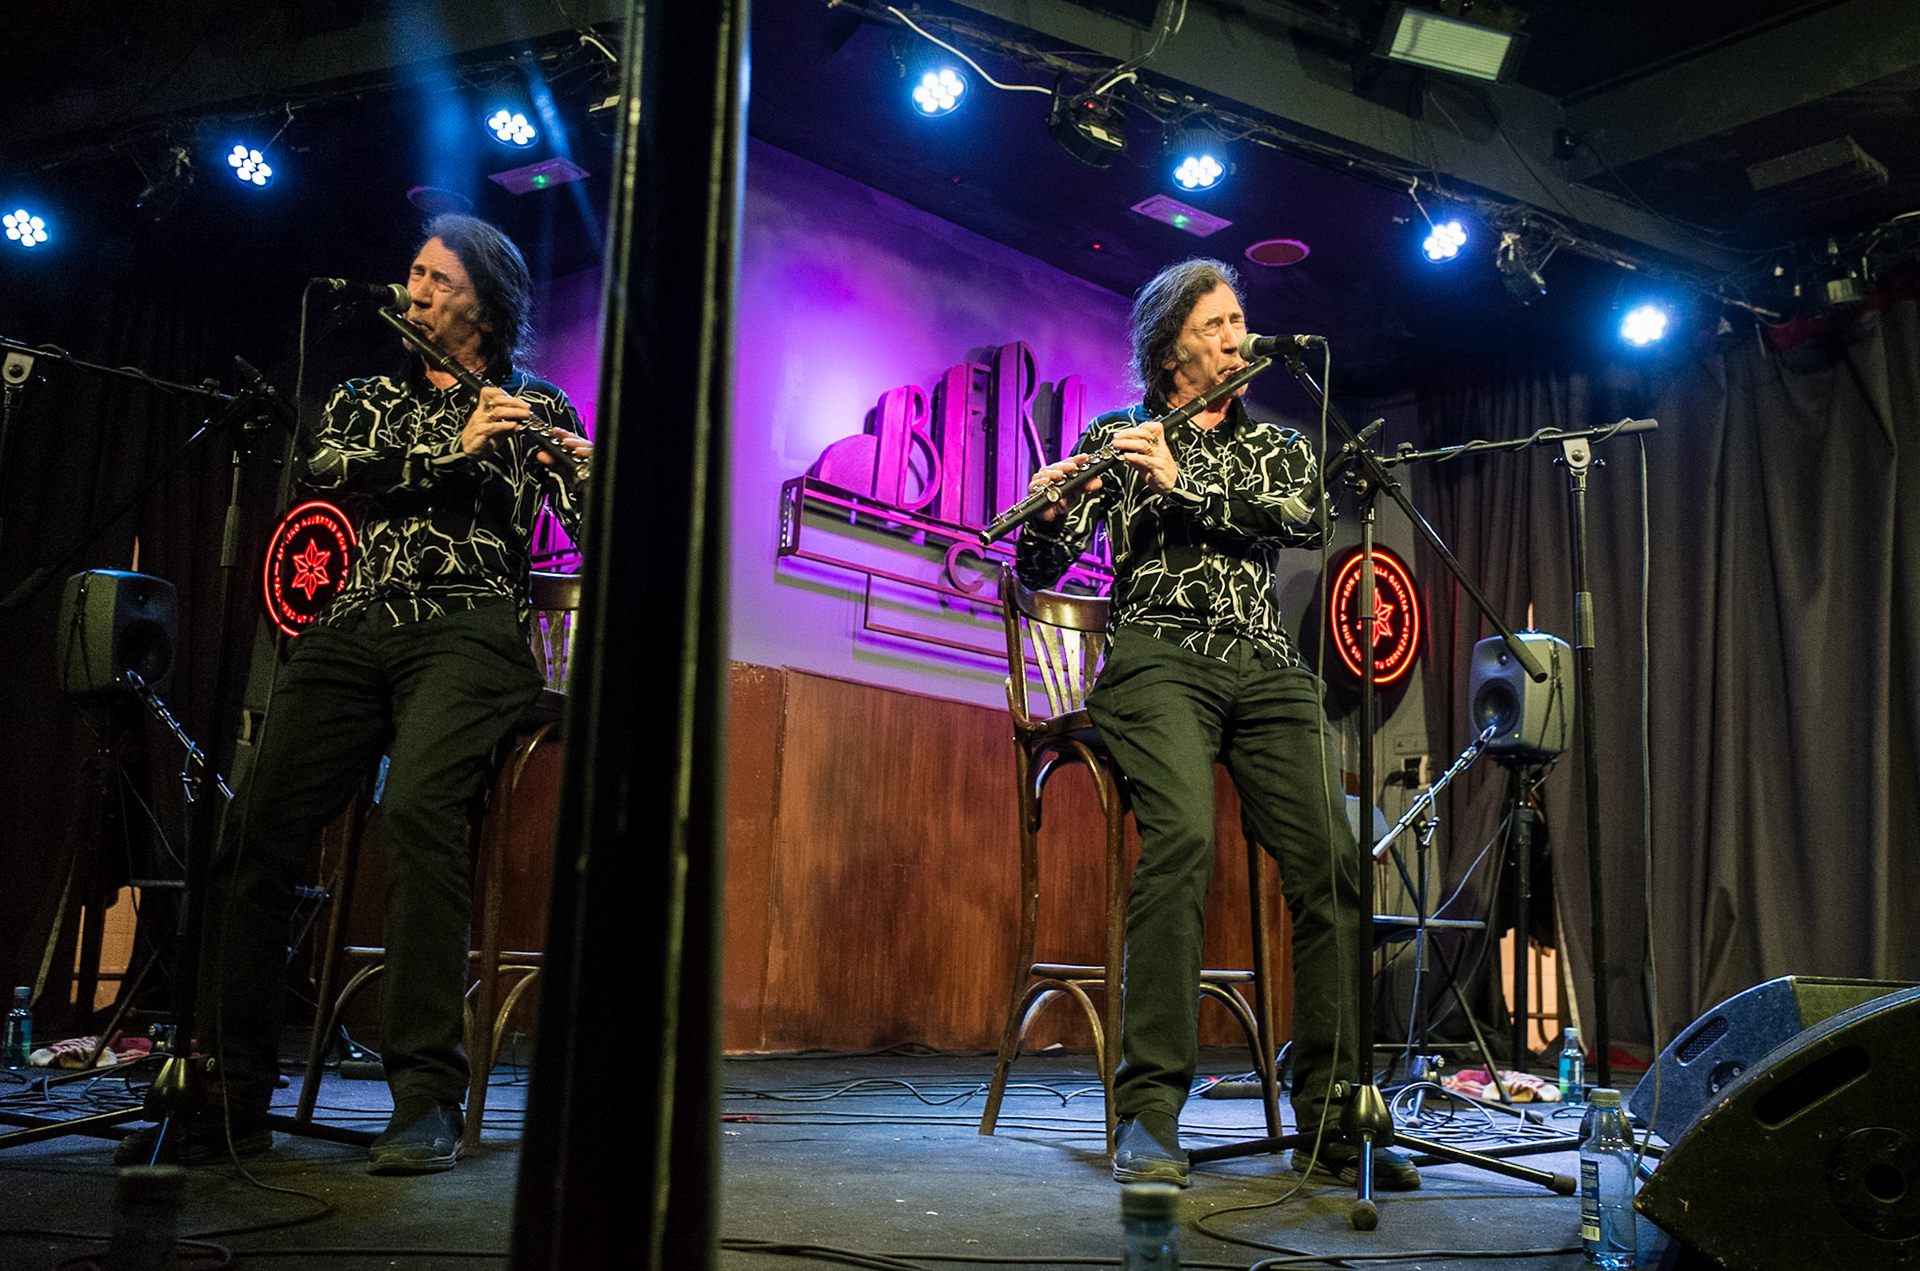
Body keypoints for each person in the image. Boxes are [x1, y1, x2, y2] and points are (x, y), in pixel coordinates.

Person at [116, 214, 592, 1175]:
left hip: (470, 628)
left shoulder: (538, 402)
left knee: (418, 810)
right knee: (251, 830)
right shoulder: (365, 397)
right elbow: (336, 472)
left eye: (437, 278)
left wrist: (581, 472)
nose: (413, 289)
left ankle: (424, 1096)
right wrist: (454, 449)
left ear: (485, 302)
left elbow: (586, 533)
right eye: (412, 272)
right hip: (356, 624)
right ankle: (228, 1096)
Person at [1014, 257, 1418, 1191]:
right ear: (1169, 348)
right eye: (1216, 325)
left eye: (1241, 320)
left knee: (1334, 861)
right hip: (1158, 655)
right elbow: (1041, 562)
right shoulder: (1122, 430)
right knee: (1185, 840)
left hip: (1267, 666)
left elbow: (1296, 523)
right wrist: (1062, 499)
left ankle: (1334, 1116)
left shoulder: (1276, 446)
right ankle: (1149, 1113)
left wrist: (1184, 486)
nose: (1238, 337)